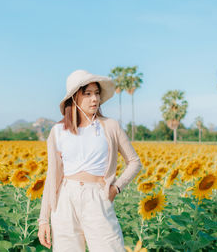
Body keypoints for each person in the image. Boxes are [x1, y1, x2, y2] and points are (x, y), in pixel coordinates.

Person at [37, 70, 142, 252]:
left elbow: (134, 162)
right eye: (87, 94)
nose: (94, 99)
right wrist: (43, 220)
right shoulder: (58, 131)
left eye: (97, 93)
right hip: (65, 199)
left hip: (97, 197)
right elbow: (52, 177)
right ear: (74, 97)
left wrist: (116, 188)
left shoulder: (110, 126)